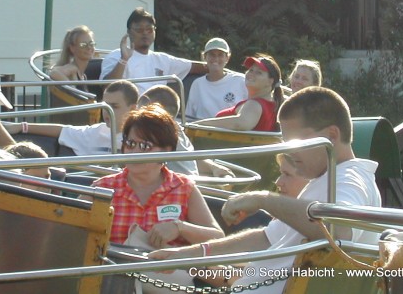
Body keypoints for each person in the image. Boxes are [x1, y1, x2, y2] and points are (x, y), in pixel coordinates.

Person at [149, 87, 382, 293]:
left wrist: (263, 200)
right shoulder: (324, 180)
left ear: (331, 135)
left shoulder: (350, 179)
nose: (291, 152)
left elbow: (337, 230)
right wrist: (189, 254)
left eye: (298, 142)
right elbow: (266, 238)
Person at [92, 105, 224, 247]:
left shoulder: (184, 188)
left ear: (167, 151)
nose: (134, 152)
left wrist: (180, 228)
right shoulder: (103, 189)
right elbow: (70, 230)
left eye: (144, 146)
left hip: (165, 268)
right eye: (130, 144)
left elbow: (218, 239)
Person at [17, 80, 139, 155]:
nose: (107, 111)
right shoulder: (94, 132)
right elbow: (62, 131)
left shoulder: (144, 138)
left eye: (114, 106)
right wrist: (21, 127)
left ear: (133, 109)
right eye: (105, 105)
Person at [101, 8, 207, 92]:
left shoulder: (163, 59)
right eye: (139, 29)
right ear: (129, 32)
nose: (145, 33)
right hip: (131, 116)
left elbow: (195, 67)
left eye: (149, 29)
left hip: (158, 114)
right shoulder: (115, 56)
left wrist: (220, 68)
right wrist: (123, 60)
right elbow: (107, 88)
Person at [193, 54, 284, 132]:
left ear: (270, 81)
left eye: (259, 73)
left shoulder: (255, 104)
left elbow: (240, 124)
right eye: (251, 70)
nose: (251, 74)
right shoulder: (274, 104)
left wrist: (195, 126)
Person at [186, 38, 248, 121]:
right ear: (204, 57)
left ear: (227, 58)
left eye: (220, 55)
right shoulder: (197, 84)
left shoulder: (241, 80)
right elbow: (188, 117)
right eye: (212, 54)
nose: (216, 58)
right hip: (202, 131)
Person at [49, 25, 96, 92]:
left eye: (91, 44)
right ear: (72, 48)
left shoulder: (83, 75)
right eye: (83, 45)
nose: (89, 47)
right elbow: (54, 73)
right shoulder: (72, 69)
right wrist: (72, 89)